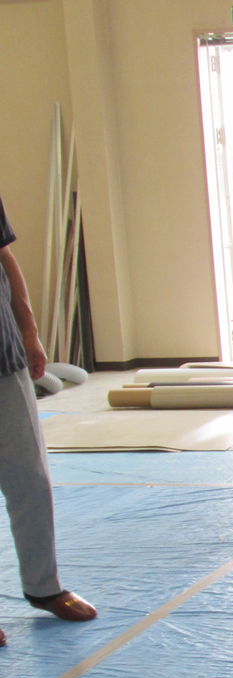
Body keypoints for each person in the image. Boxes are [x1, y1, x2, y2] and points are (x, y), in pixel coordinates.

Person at [0, 193, 97, 647]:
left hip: (4, 356)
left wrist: (29, 331)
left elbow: (5, 255)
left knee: (31, 479)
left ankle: (44, 587)